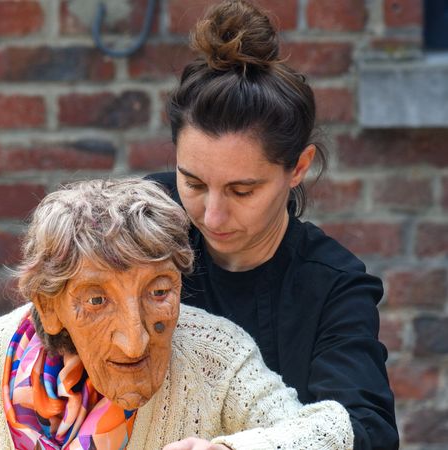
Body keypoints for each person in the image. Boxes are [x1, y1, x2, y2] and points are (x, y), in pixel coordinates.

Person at [146, 1, 398, 449]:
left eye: (242, 191)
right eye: (194, 183)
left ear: (298, 168)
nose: (212, 216)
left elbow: (368, 432)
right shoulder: (144, 218)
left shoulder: (333, 287)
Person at [0, 179, 353, 450]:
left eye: (158, 291)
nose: (135, 340)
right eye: (97, 301)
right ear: (50, 308)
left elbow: (331, 434)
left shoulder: (215, 355)